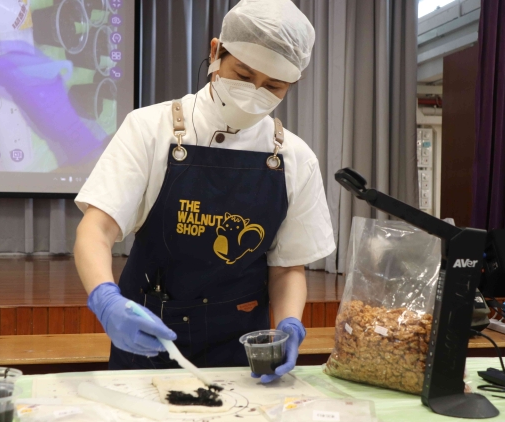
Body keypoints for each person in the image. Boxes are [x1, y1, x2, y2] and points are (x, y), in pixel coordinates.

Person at [74, 0, 335, 383]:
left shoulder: (295, 158)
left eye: (273, 87)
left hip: (241, 344)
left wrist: (289, 324)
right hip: (150, 336)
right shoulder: (150, 129)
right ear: (215, 52)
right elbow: (96, 230)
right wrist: (106, 299)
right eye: (243, 75)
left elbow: (286, 268)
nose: (254, 93)